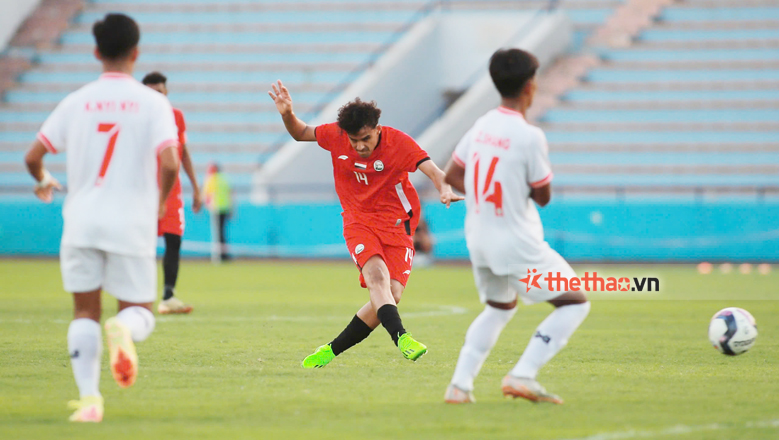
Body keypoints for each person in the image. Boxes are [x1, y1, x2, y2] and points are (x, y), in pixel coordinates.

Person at [24, 13, 180, 422]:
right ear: (135, 52)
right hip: (130, 222)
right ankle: (124, 329)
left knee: (84, 313)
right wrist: (160, 202)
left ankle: (90, 401)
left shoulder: (76, 101)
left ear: (95, 51)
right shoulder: (153, 103)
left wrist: (43, 179)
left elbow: (33, 156)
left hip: (82, 221)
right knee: (139, 311)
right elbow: (170, 161)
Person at [268, 80, 463, 367]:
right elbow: (300, 132)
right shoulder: (336, 135)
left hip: (398, 225)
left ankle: (330, 350)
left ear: (378, 130)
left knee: (390, 295)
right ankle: (402, 338)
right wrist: (287, 113)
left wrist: (444, 188)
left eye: (365, 139)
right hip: (358, 221)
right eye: (353, 140)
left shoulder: (399, 143)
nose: (359, 146)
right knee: (377, 279)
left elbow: (432, 170)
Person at [442, 48, 590, 404]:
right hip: (515, 241)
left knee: (498, 308)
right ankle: (523, 374)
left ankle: (459, 386)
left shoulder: (482, 125)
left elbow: (452, 175)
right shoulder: (529, 136)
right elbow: (543, 195)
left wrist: (483, 195)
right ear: (529, 86)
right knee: (575, 302)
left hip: (479, 237)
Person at [142, 71, 200, 314]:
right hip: (142, 190)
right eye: (152, 93)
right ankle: (138, 296)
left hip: (172, 190)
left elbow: (182, 152)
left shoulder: (176, 117)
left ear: (166, 94)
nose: (157, 97)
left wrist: (196, 187)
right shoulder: (136, 119)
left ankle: (167, 296)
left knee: (173, 240)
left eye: (160, 92)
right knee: (140, 245)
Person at [203, 162, 232, 261]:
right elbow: (230, 193)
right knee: (222, 232)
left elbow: (207, 194)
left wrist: (207, 205)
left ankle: (219, 254)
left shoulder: (212, 179)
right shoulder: (224, 178)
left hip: (216, 209)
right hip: (225, 208)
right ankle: (224, 254)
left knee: (217, 233)